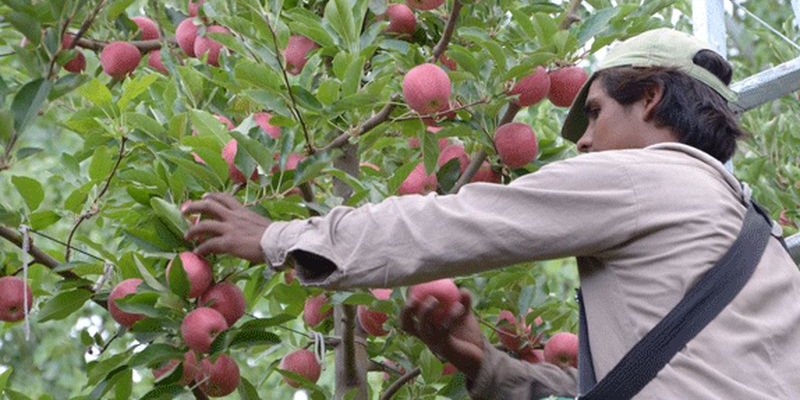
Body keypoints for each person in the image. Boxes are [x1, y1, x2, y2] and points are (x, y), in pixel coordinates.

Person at [182, 28, 800, 399]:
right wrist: (486, 366)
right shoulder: (757, 238)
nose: (582, 142)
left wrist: (282, 236)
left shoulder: (646, 177)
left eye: (595, 114)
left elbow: (454, 221)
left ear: (651, 98)